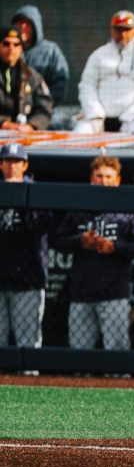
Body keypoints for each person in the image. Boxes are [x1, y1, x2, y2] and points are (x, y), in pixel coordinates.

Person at [53, 155, 134, 351]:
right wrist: (81, 241)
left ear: (117, 180)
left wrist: (114, 247)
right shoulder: (79, 208)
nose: (103, 181)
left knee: (117, 358)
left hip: (114, 293)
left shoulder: (129, 210)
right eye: (99, 176)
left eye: (108, 176)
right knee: (79, 356)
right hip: (81, 292)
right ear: (91, 179)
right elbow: (58, 240)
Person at [75, 10, 134, 134]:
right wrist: (95, 113)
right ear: (111, 30)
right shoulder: (99, 54)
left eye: (126, 30)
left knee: (132, 135)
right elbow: (87, 85)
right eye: (118, 29)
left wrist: (129, 115)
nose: (122, 34)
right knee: (80, 133)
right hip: (100, 116)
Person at [0, 142, 53, 349]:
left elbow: (41, 226)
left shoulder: (36, 192)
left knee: (28, 344)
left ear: (25, 165)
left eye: (16, 161)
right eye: (7, 161)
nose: (12, 166)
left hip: (27, 280)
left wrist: (22, 201)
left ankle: (29, 379)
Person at [11, 5, 69, 105]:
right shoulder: (7, 48)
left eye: (27, 24)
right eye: (19, 23)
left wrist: (43, 106)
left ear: (36, 27)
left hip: (42, 112)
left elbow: (60, 83)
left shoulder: (51, 51)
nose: (23, 27)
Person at [0, 26, 52, 132]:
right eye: (6, 44)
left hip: (25, 136)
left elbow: (44, 109)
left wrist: (31, 125)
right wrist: (3, 123)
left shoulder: (32, 76)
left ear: (21, 48)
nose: (11, 48)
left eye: (16, 44)